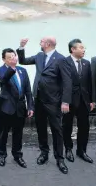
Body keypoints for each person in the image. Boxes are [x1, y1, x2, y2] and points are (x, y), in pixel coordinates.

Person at [17, 37, 71, 174]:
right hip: (39, 99)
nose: (39, 43)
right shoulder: (39, 56)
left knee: (56, 130)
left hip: (53, 101)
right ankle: (44, 153)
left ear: (47, 44)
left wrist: (65, 101)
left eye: (41, 41)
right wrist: (21, 47)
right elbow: (23, 61)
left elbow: (67, 81)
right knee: (40, 128)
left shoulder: (60, 59)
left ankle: (60, 158)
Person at [0, 48, 33, 169]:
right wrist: (11, 68)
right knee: (3, 133)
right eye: (9, 57)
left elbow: (28, 90)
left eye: (14, 56)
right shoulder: (0, 70)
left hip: (20, 108)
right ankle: (1, 154)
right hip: (6, 107)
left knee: (18, 133)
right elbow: (3, 80)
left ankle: (17, 155)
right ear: (4, 59)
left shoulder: (23, 70)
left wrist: (30, 106)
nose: (13, 59)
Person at [62, 39, 93, 164]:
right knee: (67, 126)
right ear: (73, 49)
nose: (83, 50)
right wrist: (64, 101)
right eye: (81, 47)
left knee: (84, 127)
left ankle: (82, 151)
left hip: (84, 101)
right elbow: (62, 83)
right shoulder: (64, 62)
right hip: (69, 101)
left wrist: (92, 100)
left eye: (84, 48)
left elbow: (89, 83)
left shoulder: (86, 63)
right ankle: (68, 149)